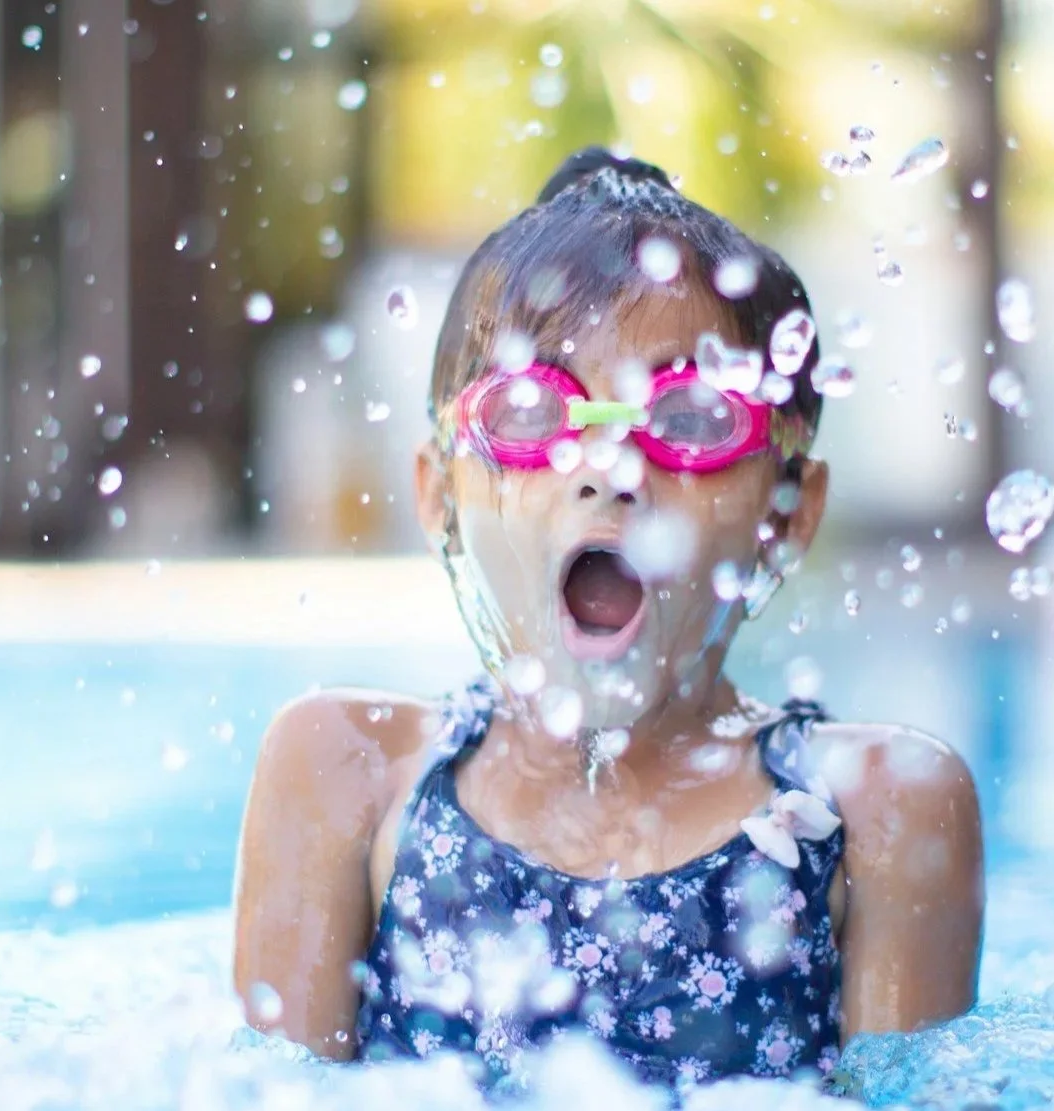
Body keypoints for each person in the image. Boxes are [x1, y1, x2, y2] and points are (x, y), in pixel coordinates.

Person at [233, 146, 984, 1092]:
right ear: (438, 496)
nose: (607, 467)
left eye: (695, 420)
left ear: (787, 512)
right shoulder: (348, 771)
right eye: (528, 412)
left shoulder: (877, 804)